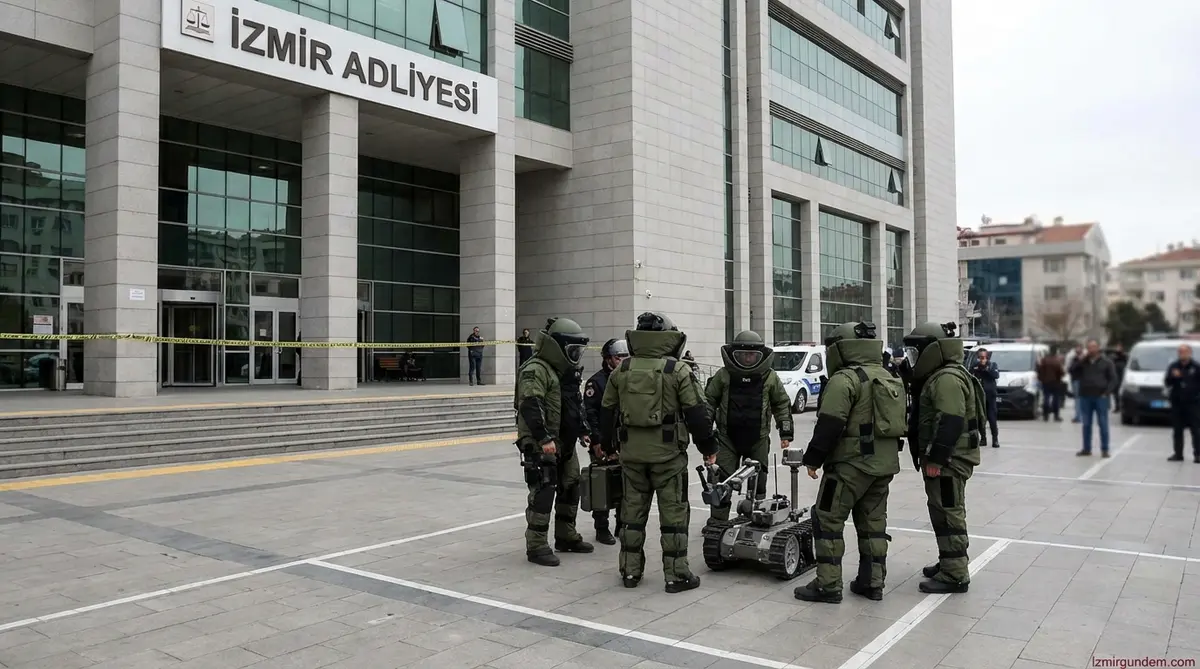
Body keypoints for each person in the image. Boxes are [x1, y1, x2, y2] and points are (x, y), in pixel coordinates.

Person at [599, 312, 718, 593]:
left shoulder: (622, 369)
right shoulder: (677, 371)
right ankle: (676, 575)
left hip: (632, 456)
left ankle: (630, 572)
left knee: (631, 514)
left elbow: (606, 411)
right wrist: (708, 448)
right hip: (668, 458)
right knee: (674, 516)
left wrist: (608, 446)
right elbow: (696, 414)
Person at [793, 322, 905, 604]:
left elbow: (830, 424)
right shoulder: (887, 375)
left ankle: (828, 585)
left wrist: (813, 460)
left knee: (827, 519)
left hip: (849, 467)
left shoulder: (844, 379)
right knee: (873, 524)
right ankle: (872, 583)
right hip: (883, 466)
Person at [903, 321, 987, 594]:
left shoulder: (946, 379)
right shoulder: (944, 375)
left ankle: (955, 574)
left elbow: (950, 421)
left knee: (949, 513)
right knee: (942, 511)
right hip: (948, 460)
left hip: (949, 462)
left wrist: (937, 460)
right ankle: (948, 561)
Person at [514, 318, 593, 566]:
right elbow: (530, 403)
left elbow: (574, 404)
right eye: (572, 350)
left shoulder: (564, 372)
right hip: (543, 443)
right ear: (556, 347)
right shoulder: (535, 369)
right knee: (543, 491)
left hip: (565, 443)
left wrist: (583, 430)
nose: (576, 356)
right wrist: (543, 437)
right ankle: (536, 545)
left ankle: (566, 536)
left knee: (571, 487)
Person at [703, 330, 793, 522]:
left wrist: (786, 431)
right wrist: (705, 431)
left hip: (758, 438)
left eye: (752, 355)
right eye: (743, 355)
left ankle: (756, 517)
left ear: (760, 355)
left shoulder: (770, 377)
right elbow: (709, 401)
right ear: (735, 354)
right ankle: (718, 521)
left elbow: (781, 403)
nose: (748, 359)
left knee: (759, 480)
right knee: (722, 480)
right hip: (727, 438)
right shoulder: (724, 375)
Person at [583, 338, 630, 544]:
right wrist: (596, 441)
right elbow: (591, 413)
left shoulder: (629, 378)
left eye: (625, 357)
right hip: (603, 439)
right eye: (618, 357)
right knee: (601, 483)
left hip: (625, 441)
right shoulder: (596, 382)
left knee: (625, 483)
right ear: (608, 358)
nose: (622, 361)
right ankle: (601, 527)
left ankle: (622, 524)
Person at [1070, 339, 1118, 458]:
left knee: (1103, 423)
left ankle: (1105, 449)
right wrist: (1081, 360)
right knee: (1086, 424)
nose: (1092, 349)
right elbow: (1071, 371)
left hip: (1101, 397)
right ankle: (1086, 449)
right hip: (1085, 396)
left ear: (1098, 348)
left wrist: (1106, 392)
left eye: (1094, 347)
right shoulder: (1083, 362)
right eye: (1089, 347)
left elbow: (1113, 379)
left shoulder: (1106, 362)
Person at [1165, 343, 1200, 463]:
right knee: (1177, 429)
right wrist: (1174, 377)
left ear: (1189, 353)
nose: (1182, 354)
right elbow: (1167, 382)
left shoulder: (1196, 367)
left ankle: (1198, 454)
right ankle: (1178, 454)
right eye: (1180, 352)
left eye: (1184, 352)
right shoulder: (1174, 366)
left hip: (1193, 403)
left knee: (1196, 429)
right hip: (1177, 402)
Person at [969, 348, 1000, 448]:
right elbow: (970, 376)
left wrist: (986, 368)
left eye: (984, 357)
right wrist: (977, 368)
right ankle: (983, 438)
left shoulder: (992, 365)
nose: (982, 359)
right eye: (980, 357)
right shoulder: (975, 366)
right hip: (979, 396)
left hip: (990, 396)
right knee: (980, 418)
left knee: (992, 418)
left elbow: (996, 375)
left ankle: (995, 439)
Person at [1036, 348, 1066, 422]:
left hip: (1045, 382)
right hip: (1056, 382)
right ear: (1055, 353)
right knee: (1056, 399)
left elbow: (1039, 370)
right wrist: (1060, 377)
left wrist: (1041, 379)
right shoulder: (1057, 361)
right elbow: (1061, 372)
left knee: (1046, 397)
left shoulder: (1044, 360)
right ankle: (1056, 416)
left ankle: (1045, 415)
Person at [1066, 344, 1083, 422]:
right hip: (1075, 380)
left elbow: (1073, 368)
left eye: (1079, 348)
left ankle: (1078, 417)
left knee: (1078, 399)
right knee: (1078, 399)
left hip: (1078, 380)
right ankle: (1078, 416)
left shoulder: (1081, 360)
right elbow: (1069, 369)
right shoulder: (1074, 358)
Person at [1110, 344, 1128, 413]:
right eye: (1117, 348)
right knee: (1116, 393)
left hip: (1122, 377)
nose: (1118, 349)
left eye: (1119, 348)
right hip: (1116, 377)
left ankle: (1122, 406)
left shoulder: (1124, 356)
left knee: (1121, 393)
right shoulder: (1114, 357)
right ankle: (1117, 407)